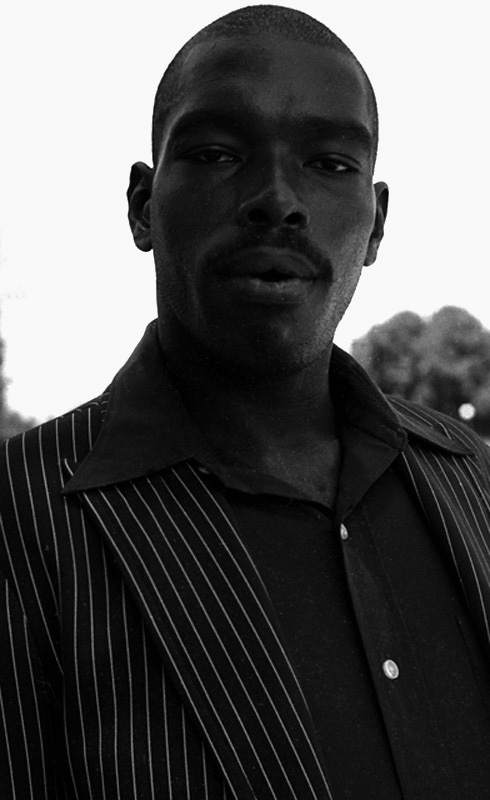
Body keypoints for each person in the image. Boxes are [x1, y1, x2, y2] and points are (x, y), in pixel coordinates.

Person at [2, 5, 490, 798]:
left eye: (330, 163)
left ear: (377, 225)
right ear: (141, 205)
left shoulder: (472, 476)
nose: (276, 198)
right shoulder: (20, 523)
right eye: (219, 152)